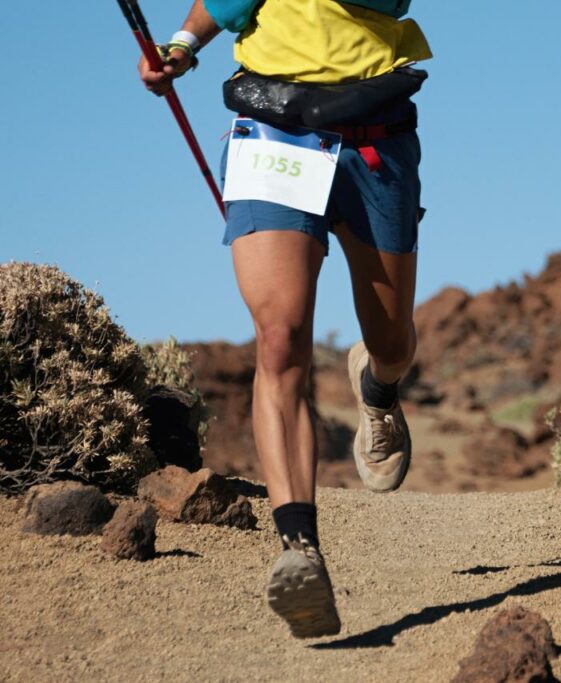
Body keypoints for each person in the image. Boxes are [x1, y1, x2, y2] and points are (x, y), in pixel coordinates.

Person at [139, 0, 432, 639]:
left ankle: (379, 387)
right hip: (273, 132)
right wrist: (183, 45)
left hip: (374, 137)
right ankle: (301, 550)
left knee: (392, 341)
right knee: (280, 338)